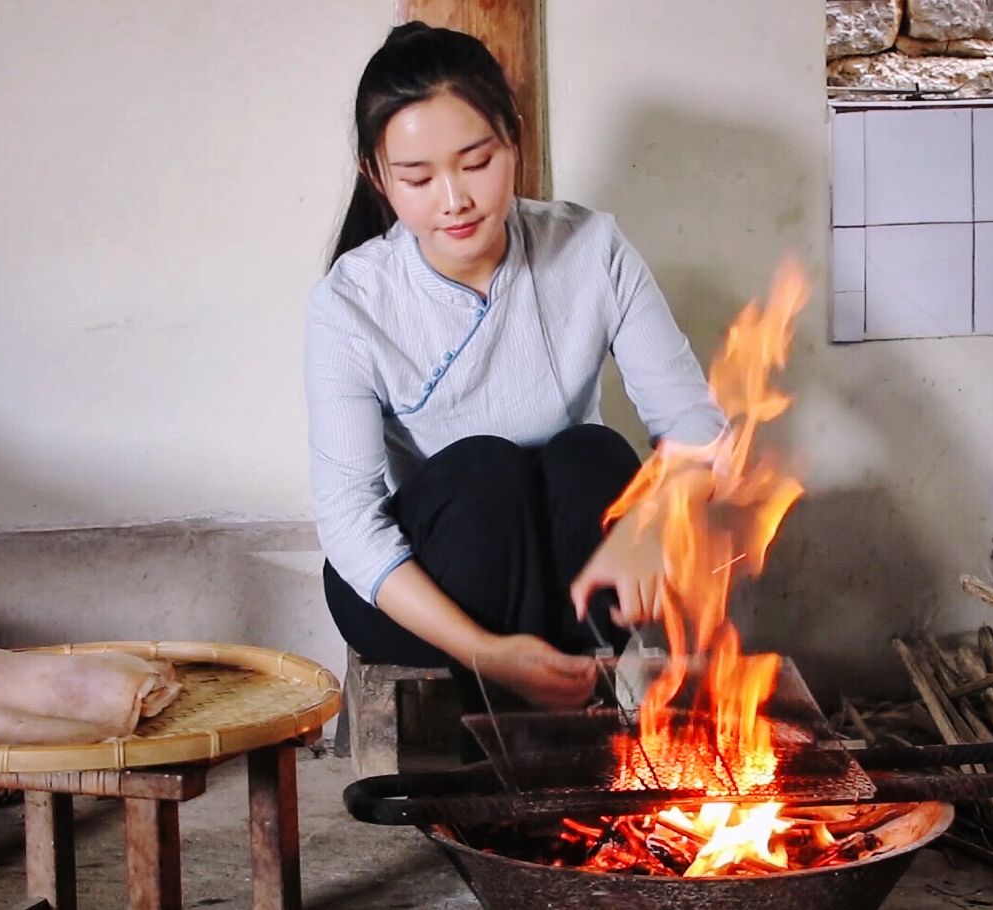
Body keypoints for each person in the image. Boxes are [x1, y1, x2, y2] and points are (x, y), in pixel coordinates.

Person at [306, 22, 725, 713]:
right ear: (376, 177)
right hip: (435, 585)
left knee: (594, 454)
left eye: (476, 162)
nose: (453, 199)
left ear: (514, 139)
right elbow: (350, 523)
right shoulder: (351, 302)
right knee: (482, 471)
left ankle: (574, 705)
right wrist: (485, 650)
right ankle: (515, 725)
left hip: (567, 571)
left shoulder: (591, 248)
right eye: (417, 177)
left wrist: (653, 524)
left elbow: (692, 423)